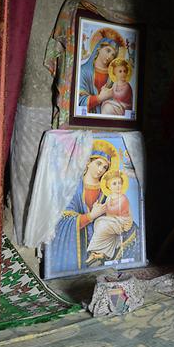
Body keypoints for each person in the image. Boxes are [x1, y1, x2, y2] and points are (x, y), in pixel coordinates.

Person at [50, 139, 137, 273]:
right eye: (98, 164)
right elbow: (62, 220)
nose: (101, 170)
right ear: (88, 162)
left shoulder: (106, 190)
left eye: (105, 167)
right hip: (82, 236)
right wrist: (91, 216)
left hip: (104, 231)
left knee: (134, 231)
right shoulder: (72, 187)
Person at [85, 169, 135, 266]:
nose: (117, 186)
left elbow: (114, 210)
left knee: (102, 226)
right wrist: (97, 207)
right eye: (114, 184)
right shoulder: (109, 197)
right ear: (108, 186)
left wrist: (101, 208)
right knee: (98, 222)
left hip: (121, 222)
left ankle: (94, 252)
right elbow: (108, 211)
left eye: (119, 183)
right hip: (112, 220)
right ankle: (99, 254)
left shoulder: (123, 198)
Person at [77, 34, 121, 115]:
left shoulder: (113, 77)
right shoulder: (83, 71)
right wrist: (100, 98)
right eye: (108, 50)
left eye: (113, 55)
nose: (109, 56)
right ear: (99, 48)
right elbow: (78, 101)